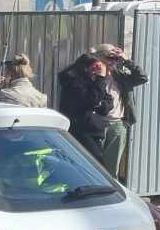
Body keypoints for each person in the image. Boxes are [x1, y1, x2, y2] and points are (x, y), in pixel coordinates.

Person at [60, 44, 147, 178]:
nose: (113, 62)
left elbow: (142, 77)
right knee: (94, 164)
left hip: (116, 124)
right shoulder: (90, 74)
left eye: (116, 59)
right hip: (95, 124)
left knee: (111, 169)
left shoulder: (119, 76)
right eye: (109, 58)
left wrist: (125, 60)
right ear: (99, 57)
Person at [57, 55, 120, 167]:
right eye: (94, 68)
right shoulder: (74, 82)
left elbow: (107, 101)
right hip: (81, 131)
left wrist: (99, 104)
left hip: (94, 130)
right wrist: (100, 78)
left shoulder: (92, 81)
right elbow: (92, 99)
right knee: (96, 164)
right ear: (86, 67)